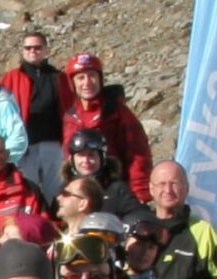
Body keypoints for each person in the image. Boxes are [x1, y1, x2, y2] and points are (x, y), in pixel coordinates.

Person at [60, 54, 152, 200]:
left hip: (113, 189)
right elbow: (68, 157)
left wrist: (139, 192)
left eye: (92, 76)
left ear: (100, 79)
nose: (87, 82)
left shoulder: (116, 111)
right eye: (81, 78)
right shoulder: (70, 116)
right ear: (72, 83)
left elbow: (138, 153)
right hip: (82, 192)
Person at [143, 162, 217, 279]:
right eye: (162, 184)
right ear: (151, 189)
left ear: (186, 188)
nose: (168, 190)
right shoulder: (140, 229)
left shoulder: (203, 231)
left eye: (174, 183)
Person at [0, 26, 65, 178]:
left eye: (37, 47)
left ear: (45, 50)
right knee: (28, 186)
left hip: (53, 144)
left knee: (56, 188)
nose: (32, 51)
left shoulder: (59, 77)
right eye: (28, 48)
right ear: (22, 51)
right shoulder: (11, 78)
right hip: (24, 146)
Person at [0, 133, 52, 247]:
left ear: (7, 153)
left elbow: (44, 227)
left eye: (0, 152)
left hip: (19, 252)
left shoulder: (29, 189)